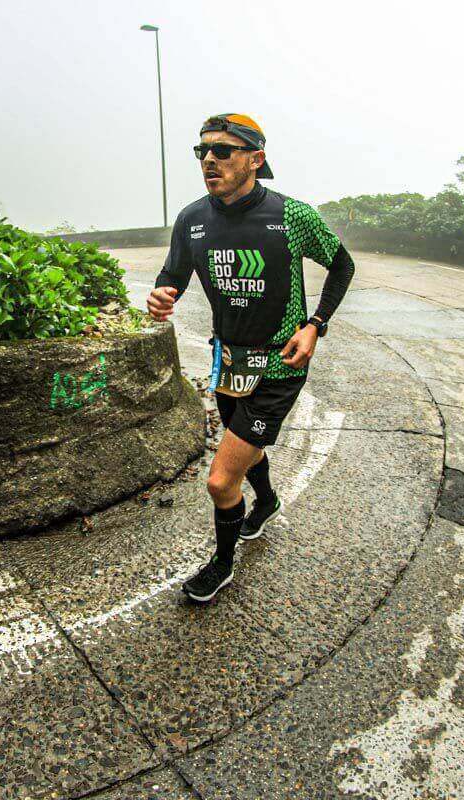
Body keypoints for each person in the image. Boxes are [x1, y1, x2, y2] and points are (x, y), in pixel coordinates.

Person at [146, 113, 355, 603]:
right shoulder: (192, 219)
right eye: (202, 152)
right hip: (230, 363)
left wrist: (315, 325)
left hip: (280, 363)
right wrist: (162, 293)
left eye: (223, 151)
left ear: (255, 160)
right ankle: (267, 500)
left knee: (221, 479)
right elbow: (172, 273)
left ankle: (221, 564)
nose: (210, 161)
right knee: (243, 449)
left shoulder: (291, 215)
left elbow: (342, 264)